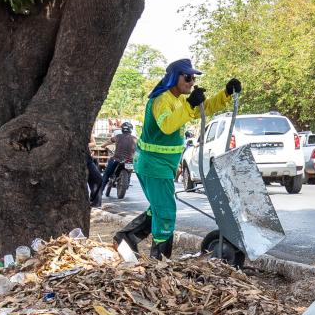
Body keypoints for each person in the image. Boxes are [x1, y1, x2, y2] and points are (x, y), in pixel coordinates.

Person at [121, 59, 237, 258]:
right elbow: (167, 125)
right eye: (188, 77)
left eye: (194, 78)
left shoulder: (179, 100)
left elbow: (204, 109)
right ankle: (159, 260)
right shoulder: (160, 100)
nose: (192, 82)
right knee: (165, 211)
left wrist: (226, 93)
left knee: (159, 207)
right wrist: (190, 104)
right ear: (175, 77)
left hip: (162, 165)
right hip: (153, 165)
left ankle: (126, 238)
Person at [100, 122, 137, 199]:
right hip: (129, 161)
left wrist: (103, 145)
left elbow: (108, 142)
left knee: (106, 174)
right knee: (130, 170)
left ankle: (99, 192)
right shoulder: (135, 139)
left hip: (117, 159)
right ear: (131, 130)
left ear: (122, 129)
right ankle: (127, 180)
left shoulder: (118, 137)